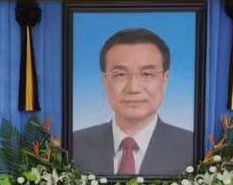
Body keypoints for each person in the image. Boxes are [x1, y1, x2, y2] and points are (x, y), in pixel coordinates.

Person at [69, 27, 195, 176]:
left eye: (147, 74)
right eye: (120, 74)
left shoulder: (192, 147)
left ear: (165, 79)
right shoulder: (74, 145)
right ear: (105, 80)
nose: (133, 88)